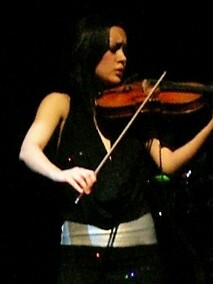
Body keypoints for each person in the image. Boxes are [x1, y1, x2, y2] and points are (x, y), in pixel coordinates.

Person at [18, 13, 213, 284]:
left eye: (125, 49)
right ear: (91, 50)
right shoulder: (60, 103)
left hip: (142, 253)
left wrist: (211, 125)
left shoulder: (135, 110)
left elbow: (168, 164)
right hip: (79, 255)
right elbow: (29, 149)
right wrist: (61, 174)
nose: (123, 58)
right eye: (114, 49)